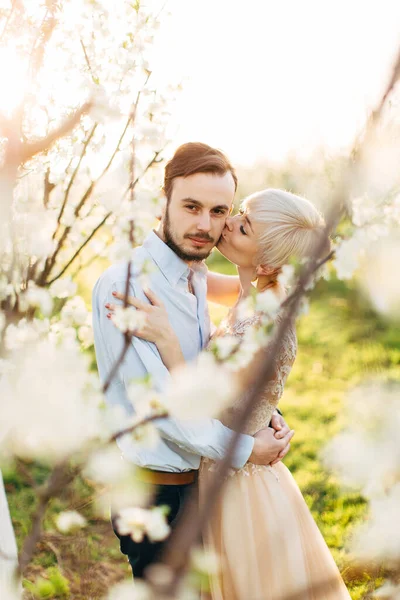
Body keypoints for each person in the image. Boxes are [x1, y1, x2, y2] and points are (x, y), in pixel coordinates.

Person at [107, 188, 351, 599]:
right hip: (219, 464)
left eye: (244, 225)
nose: (229, 223)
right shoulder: (248, 291)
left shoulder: (265, 324)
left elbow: (203, 401)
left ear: (269, 261)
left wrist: (166, 338)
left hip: (242, 488)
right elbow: (191, 278)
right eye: (240, 212)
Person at [92, 143, 294, 579]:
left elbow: (225, 369)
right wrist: (248, 449)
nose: (206, 225)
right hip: (157, 497)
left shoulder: (195, 272)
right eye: (191, 206)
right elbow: (162, 410)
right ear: (163, 200)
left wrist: (263, 412)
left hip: (206, 487)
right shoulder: (128, 290)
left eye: (220, 210)